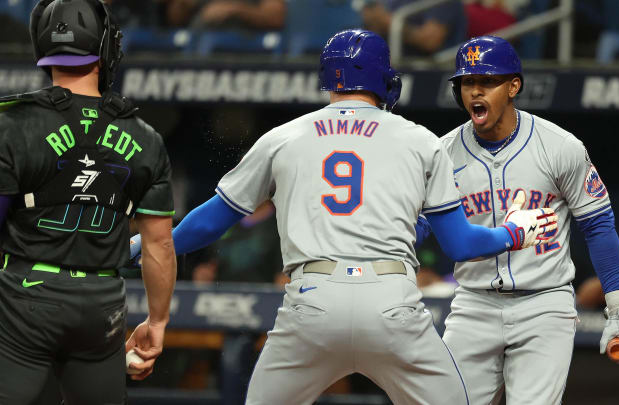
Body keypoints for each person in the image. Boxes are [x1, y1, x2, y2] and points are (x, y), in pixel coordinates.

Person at [131, 29, 556, 404]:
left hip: (312, 302)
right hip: (391, 304)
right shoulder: (421, 140)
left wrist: (143, 245)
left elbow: (211, 220)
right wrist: (512, 233)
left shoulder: (284, 136)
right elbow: (461, 245)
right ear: (382, 78)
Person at [417, 36, 619, 404]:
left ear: (513, 86)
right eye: (467, 83)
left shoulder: (559, 146)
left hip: (544, 303)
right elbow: (418, 229)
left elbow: (597, 225)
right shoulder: (441, 153)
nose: (474, 91)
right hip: (474, 303)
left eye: (487, 82)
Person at [0, 0, 176, 403]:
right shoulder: (146, 137)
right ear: (105, 49)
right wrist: (158, 321)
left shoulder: (11, 124)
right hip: (101, 306)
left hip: (25, 297)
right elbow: (159, 245)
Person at [362, 0, 466, 55]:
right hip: (390, 67)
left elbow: (430, 41)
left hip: (429, 74)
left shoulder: (444, 3)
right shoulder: (393, 2)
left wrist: (391, 23)